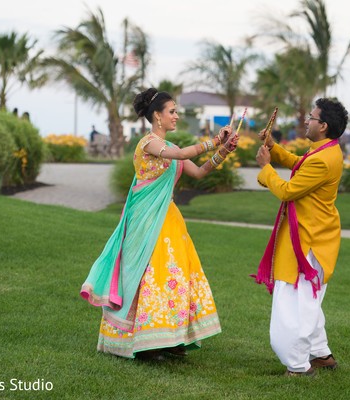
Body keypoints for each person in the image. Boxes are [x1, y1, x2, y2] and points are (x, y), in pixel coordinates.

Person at [81, 87, 238, 360]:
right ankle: (144, 342)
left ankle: (169, 338)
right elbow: (179, 156)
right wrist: (214, 140)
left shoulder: (172, 147)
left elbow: (199, 172)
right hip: (146, 220)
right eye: (172, 112)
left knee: (172, 276)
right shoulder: (149, 144)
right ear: (157, 116)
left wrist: (224, 150)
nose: (176, 116)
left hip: (169, 219)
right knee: (148, 275)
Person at [253, 97, 348, 377]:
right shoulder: (324, 151)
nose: (307, 121)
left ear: (324, 126)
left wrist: (265, 168)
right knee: (307, 301)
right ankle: (321, 355)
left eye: (312, 117)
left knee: (293, 305)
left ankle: (298, 365)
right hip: (313, 236)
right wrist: (273, 147)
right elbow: (298, 164)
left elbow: (288, 190)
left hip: (307, 242)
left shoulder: (323, 159)